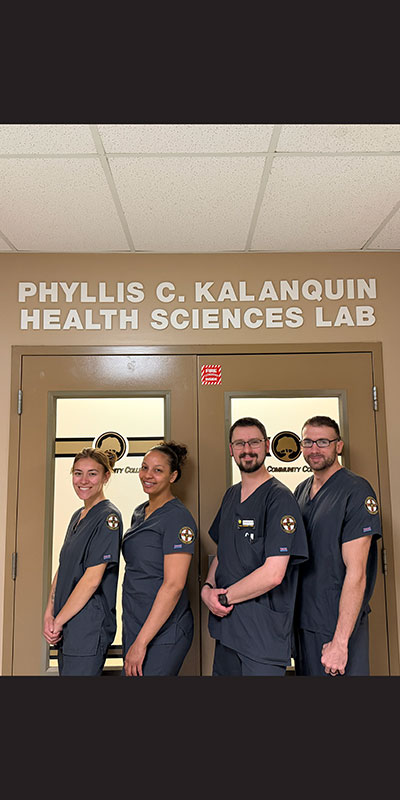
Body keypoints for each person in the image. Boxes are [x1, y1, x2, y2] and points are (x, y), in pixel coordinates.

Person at [201, 417, 308, 676]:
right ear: (231, 449)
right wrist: (207, 588)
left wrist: (223, 598)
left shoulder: (279, 498)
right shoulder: (231, 495)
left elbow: (274, 574)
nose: (247, 449)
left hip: (262, 637)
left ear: (268, 445)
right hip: (227, 632)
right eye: (239, 443)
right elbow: (223, 552)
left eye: (254, 442)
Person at [293, 415, 382, 677]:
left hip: (337, 622)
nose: (314, 449)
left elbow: (357, 573)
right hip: (305, 619)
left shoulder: (356, 491)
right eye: (307, 442)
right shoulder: (301, 490)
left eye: (323, 441)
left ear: (338, 446)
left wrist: (340, 642)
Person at [43, 448, 122, 676]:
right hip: (67, 622)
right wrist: (49, 612)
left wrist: (58, 622)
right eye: (78, 473)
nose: (83, 481)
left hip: (87, 626)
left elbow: (91, 580)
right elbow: (64, 567)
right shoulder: (78, 516)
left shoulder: (108, 518)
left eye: (92, 474)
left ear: (106, 476)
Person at [122, 441, 196, 676]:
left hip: (164, 631)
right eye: (144, 467)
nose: (147, 475)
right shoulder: (140, 512)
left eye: (158, 470)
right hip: (136, 621)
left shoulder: (178, 519)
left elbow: (174, 585)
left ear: (173, 476)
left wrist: (141, 642)